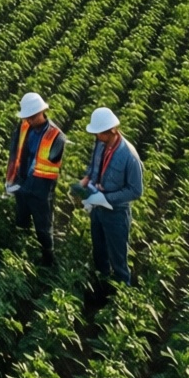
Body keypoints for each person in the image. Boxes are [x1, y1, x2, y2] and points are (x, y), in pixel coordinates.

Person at [78, 107, 144, 297]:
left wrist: (106, 198)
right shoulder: (100, 144)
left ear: (111, 131)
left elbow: (136, 191)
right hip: (98, 209)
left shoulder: (129, 157)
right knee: (99, 253)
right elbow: (95, 167)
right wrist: (86, 183)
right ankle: (102, 290)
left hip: (116, 214)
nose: (96, 135)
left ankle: (122, 299)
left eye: (99, 132)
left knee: (118, 259)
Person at [4, 92, 65, 266]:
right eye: (27, 117)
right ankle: (21, 256)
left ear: (42, 112)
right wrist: (10, 180)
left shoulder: (56, 136)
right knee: (21, 222)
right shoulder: (24, 126)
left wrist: (23, 186)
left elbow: (48, 167)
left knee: (43, 229)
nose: (29, 120)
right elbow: (15, 152)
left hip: (41, 192)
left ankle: (48, 263)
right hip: (21, 185)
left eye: (32, 116)